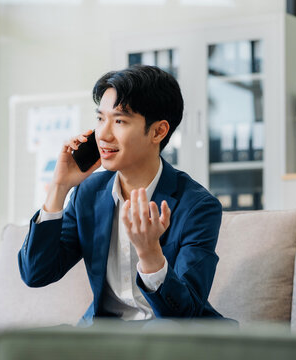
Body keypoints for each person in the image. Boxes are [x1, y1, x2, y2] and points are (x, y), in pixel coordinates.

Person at [19, 65, 224, 325]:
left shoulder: (197, 206)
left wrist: (150, 255)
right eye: (100, 119)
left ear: (158, 131)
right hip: (105, 340)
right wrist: (59, 187)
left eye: (119, 121)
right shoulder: (89, 193)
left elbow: (185, 316)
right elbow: (36, 273)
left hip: (168, 342)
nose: (103, 135)